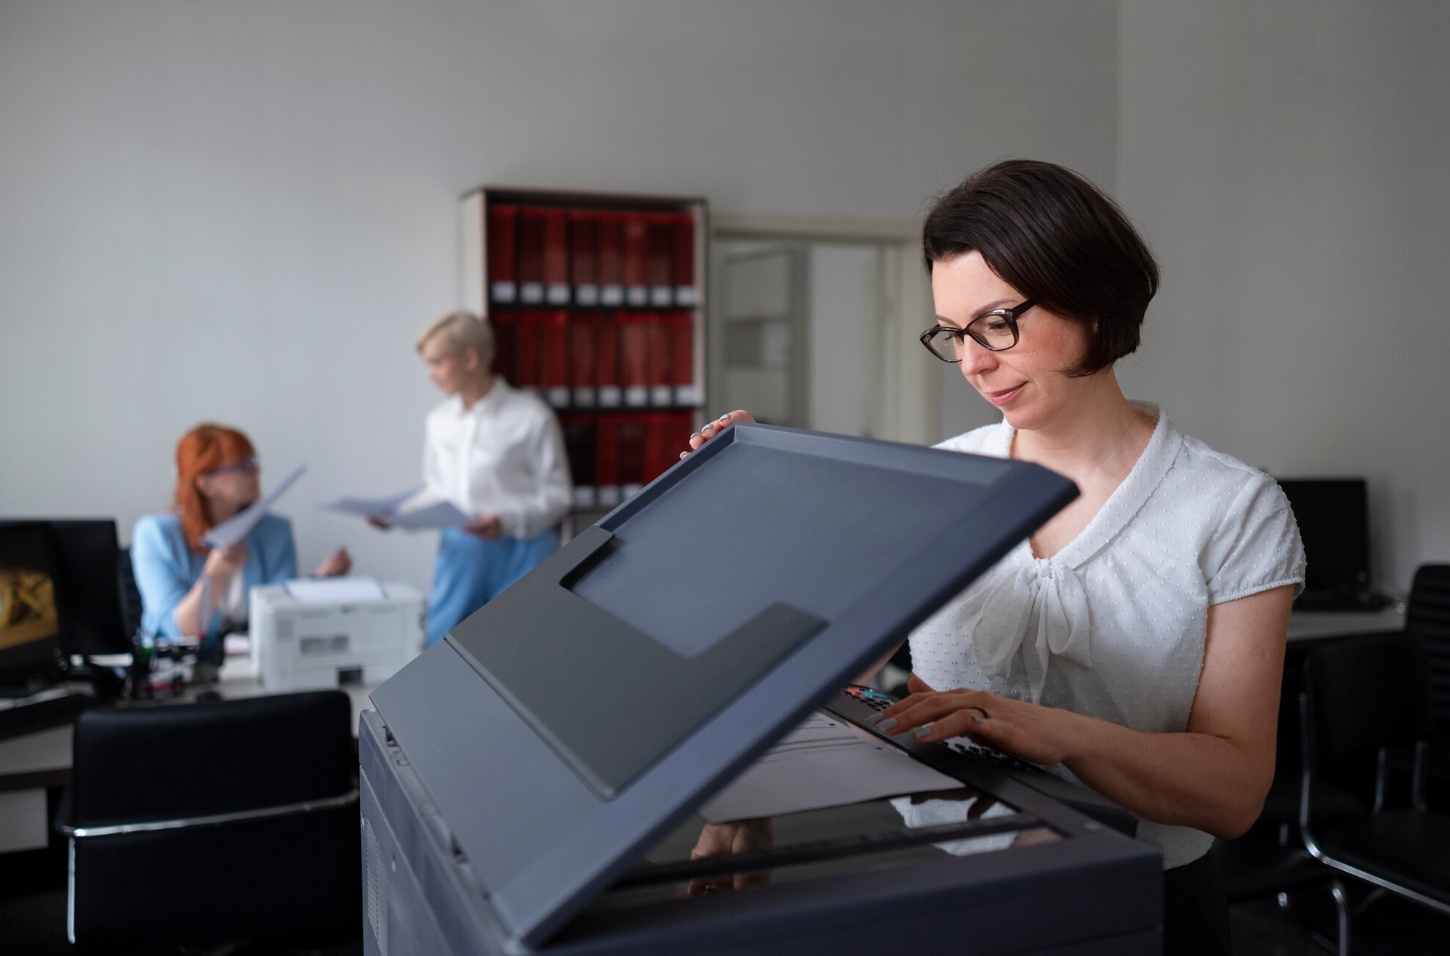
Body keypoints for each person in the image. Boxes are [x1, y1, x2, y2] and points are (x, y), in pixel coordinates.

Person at [687, 160, 1303, 955]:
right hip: (938, 881)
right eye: (954, 333)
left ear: (1091, 294)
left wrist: (1060, 732)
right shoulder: (942, 481)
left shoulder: (1231, 509)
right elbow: (823, 665)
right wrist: (775, 502)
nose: (973, 362)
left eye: (998, 323)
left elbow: (1235, 795)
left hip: (1136, 906)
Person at [408, 311, 570, 646]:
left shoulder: (531, 416)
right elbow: (437, 489)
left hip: (524, 553)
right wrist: (399, 514)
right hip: (460, 553)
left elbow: (558, 496)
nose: (430, 375)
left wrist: (507, 521)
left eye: (437, 362)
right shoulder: (438, 420)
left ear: (469, 359)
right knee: (441, 650)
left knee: (523, 650)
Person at [131, 424, 351, 642]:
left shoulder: (274, 531)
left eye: (253, 462)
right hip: (180, 670)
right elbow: (177, 630)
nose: (257, 471)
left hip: (255, 663)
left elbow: (282, 614)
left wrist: (317, 583)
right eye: (243, 466)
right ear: (206, 484)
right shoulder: (155, 534)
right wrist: (215, 574)